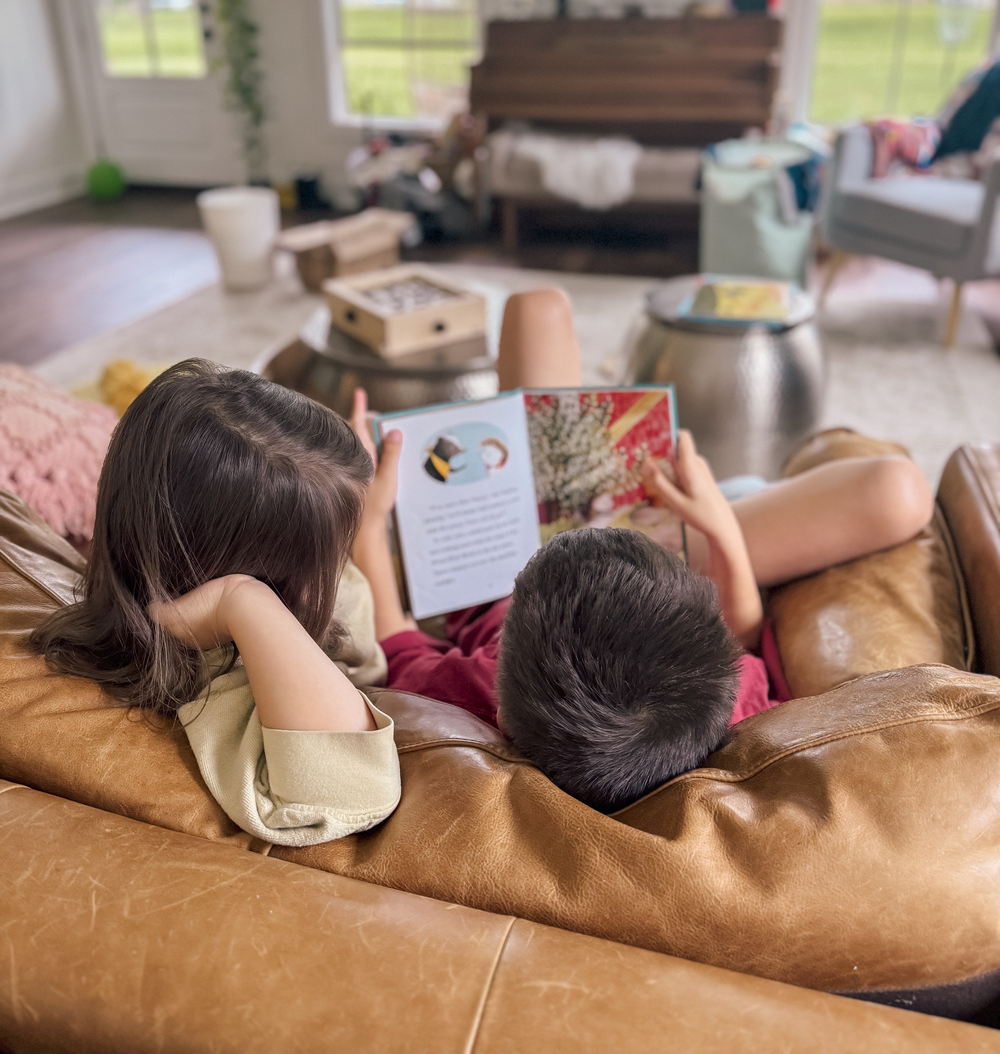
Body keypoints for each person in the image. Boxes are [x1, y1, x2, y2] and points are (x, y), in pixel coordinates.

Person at [357, 288, 935, 812]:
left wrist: (366, 512)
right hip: (661, 571)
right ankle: (727, 507)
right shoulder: (729, 705)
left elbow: (394, 639)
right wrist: (719, 532)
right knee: (901, 491)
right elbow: (747, 639)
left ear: (501, 714)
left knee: (537, 308)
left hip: (495, 561)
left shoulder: (472, 692)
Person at [29, 359, 404, 847]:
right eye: (332, 554)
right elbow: (356, 792)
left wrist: (341, 497)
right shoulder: (223, 676)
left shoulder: (201, 577)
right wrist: (243, 602)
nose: (338, 569)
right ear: (259, 581)